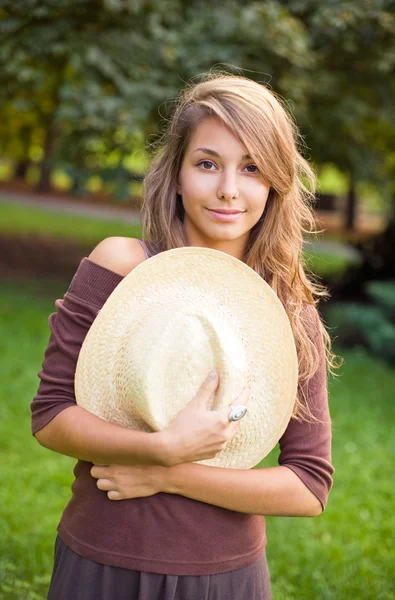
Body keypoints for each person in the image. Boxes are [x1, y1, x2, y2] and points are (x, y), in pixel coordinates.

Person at [31, 72, 335, 600]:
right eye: (207, 163)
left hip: (225, 576)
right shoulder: (120, 267)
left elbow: (308, 486)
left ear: (275, 184)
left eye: (252, 168)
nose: (228, 189)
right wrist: (163, 444)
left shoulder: (287, 308)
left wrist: (169, 470)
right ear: (176, 174)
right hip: (103, 558)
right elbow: (51, 414)